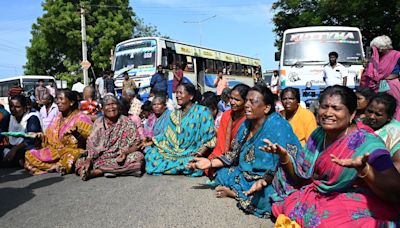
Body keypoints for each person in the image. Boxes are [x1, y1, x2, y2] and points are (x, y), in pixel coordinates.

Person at [261, 85, 400, 226]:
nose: (328, 113)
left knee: (327, 220)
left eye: (336, 108)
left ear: (352, 114)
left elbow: (395, 189)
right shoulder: (318, 134)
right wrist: (284, 156)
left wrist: (365, 170)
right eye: (324, 106)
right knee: (282, 179)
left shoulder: (367, 143)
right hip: (320, 193)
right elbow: (302, 176)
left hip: (356, 197)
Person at [187, 85, 302, 218]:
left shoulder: (279, 126)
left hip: (272, 178)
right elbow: (232, 154)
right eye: (246, 100)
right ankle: (241, 191)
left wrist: (266, 179)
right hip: (245, 173)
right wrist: (210, 163)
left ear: (267, 108)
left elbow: (292, 163)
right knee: (222, 173)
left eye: (252, 102)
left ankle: (234, 193)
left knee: (269, 198)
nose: (247, 105)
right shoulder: (247, 124)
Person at [144, 83, 216, 176]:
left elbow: (209, 136)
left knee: (191, 163)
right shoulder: (174, 114)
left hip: (192, 152)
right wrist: (153, 140)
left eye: (181, 93)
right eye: (176, 93)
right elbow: (167, 135)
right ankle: (178, 167)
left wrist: (201, 152)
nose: (177, 96)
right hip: (173, 151)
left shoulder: (203, 111)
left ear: (191, 96)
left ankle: (180, 166)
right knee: (151, 154)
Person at [75, 95, 144, 180]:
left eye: (114, 104)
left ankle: (98, 171)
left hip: (120, 157)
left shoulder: (127, 122)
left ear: (118, 107)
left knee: (138, 157)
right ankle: (110, 170)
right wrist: (89, 159)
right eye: (107, 105)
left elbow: (136, 144)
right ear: (102, 109)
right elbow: (91, 144)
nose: (111, 107)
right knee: (80, 161)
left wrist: (125, 153)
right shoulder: (98, 123)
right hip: (100, 157)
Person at [24, 89, 93, 175]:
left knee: (71, 156)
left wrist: (77, 134)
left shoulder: (81, 118)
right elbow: (48, 137)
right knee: (29, 154)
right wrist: (39, 136)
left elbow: (91, 139)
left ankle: (60, 166)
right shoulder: (57, 117)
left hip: (71, 151)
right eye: (57, 99)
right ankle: (55, 167)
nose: (58, 102)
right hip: (55, 151)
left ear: (71, 102)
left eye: (61, 99)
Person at [205, 84, 249, 178]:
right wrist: (217, 160)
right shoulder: (226, 115)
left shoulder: (248, 119)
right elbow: (221, 142)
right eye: (231, 98)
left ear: (246, 102)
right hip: (223, 154)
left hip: (238, 157)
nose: (232, 102)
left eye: (237, 100)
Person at [362, 35, 400, 121]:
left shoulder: (396, 55)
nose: (376, 50)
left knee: (394, 107)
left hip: (392, 86)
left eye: (377, 48)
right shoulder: (376, 57)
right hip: (378, 86)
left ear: (383, 47)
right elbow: (373, 73)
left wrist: (396, 75)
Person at [1, 95, 42, 167]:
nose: (13, 109)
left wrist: (14, 149)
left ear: (25, 108)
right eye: (11, 106)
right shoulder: (10, 117)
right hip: (12, 147)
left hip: (28, 146)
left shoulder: (32, 117)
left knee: (29, 153)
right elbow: (2, 132)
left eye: (17, 107)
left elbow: (31, 139)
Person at [364, 93, 400, 171]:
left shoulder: (396, 133)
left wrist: (367, 171)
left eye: (378, 114)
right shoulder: (360, 123)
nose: (371, 117)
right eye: (369, 111)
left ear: (389, 117)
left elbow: (398, 165)